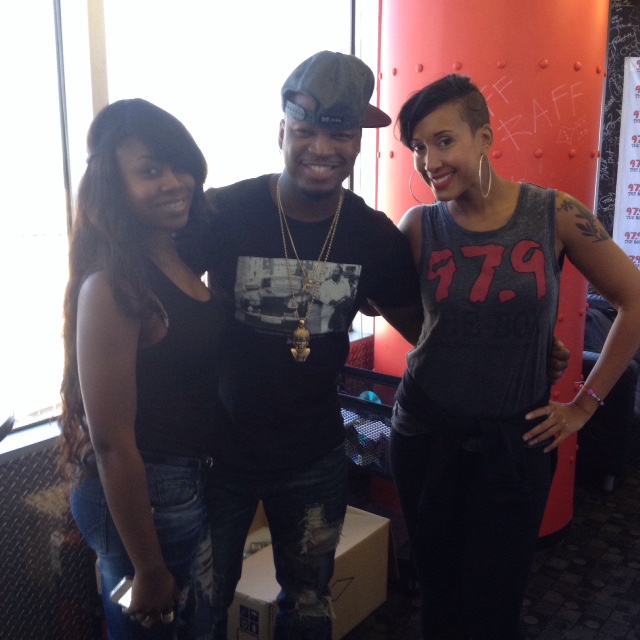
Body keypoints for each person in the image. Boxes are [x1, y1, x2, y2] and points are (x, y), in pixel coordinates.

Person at [178, 51, 423, 640]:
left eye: (340, 134)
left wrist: (516, 348)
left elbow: (426, 329)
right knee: (201, 603)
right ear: (281, 131)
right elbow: (152, 301)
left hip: (314, 456)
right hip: (220, 453)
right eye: (306, 130)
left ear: (357, 143)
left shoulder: (372, 235)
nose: (322, 148)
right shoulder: (223, 212)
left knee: (310, 603)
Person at [390, 74, 640, 640]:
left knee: (496, 601)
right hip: (426, 434)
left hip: (514, 442)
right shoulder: (420, 226)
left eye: (444, 141)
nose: (430, 161)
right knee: (437, 594)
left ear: (484, 137)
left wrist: (585, 404)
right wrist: (498, 342)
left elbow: (633, 300)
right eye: (419, 148)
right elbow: (414, 318)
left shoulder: (552, 213)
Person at [58, 98, 227, 639]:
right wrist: (148, 568)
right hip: (146, 493)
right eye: (150, 171)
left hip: (179, 480)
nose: (174, 182)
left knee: (192, 626)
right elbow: (111, 442)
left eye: (180, 166)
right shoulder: (111, 285)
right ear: (114, 186)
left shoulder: (171, 254)